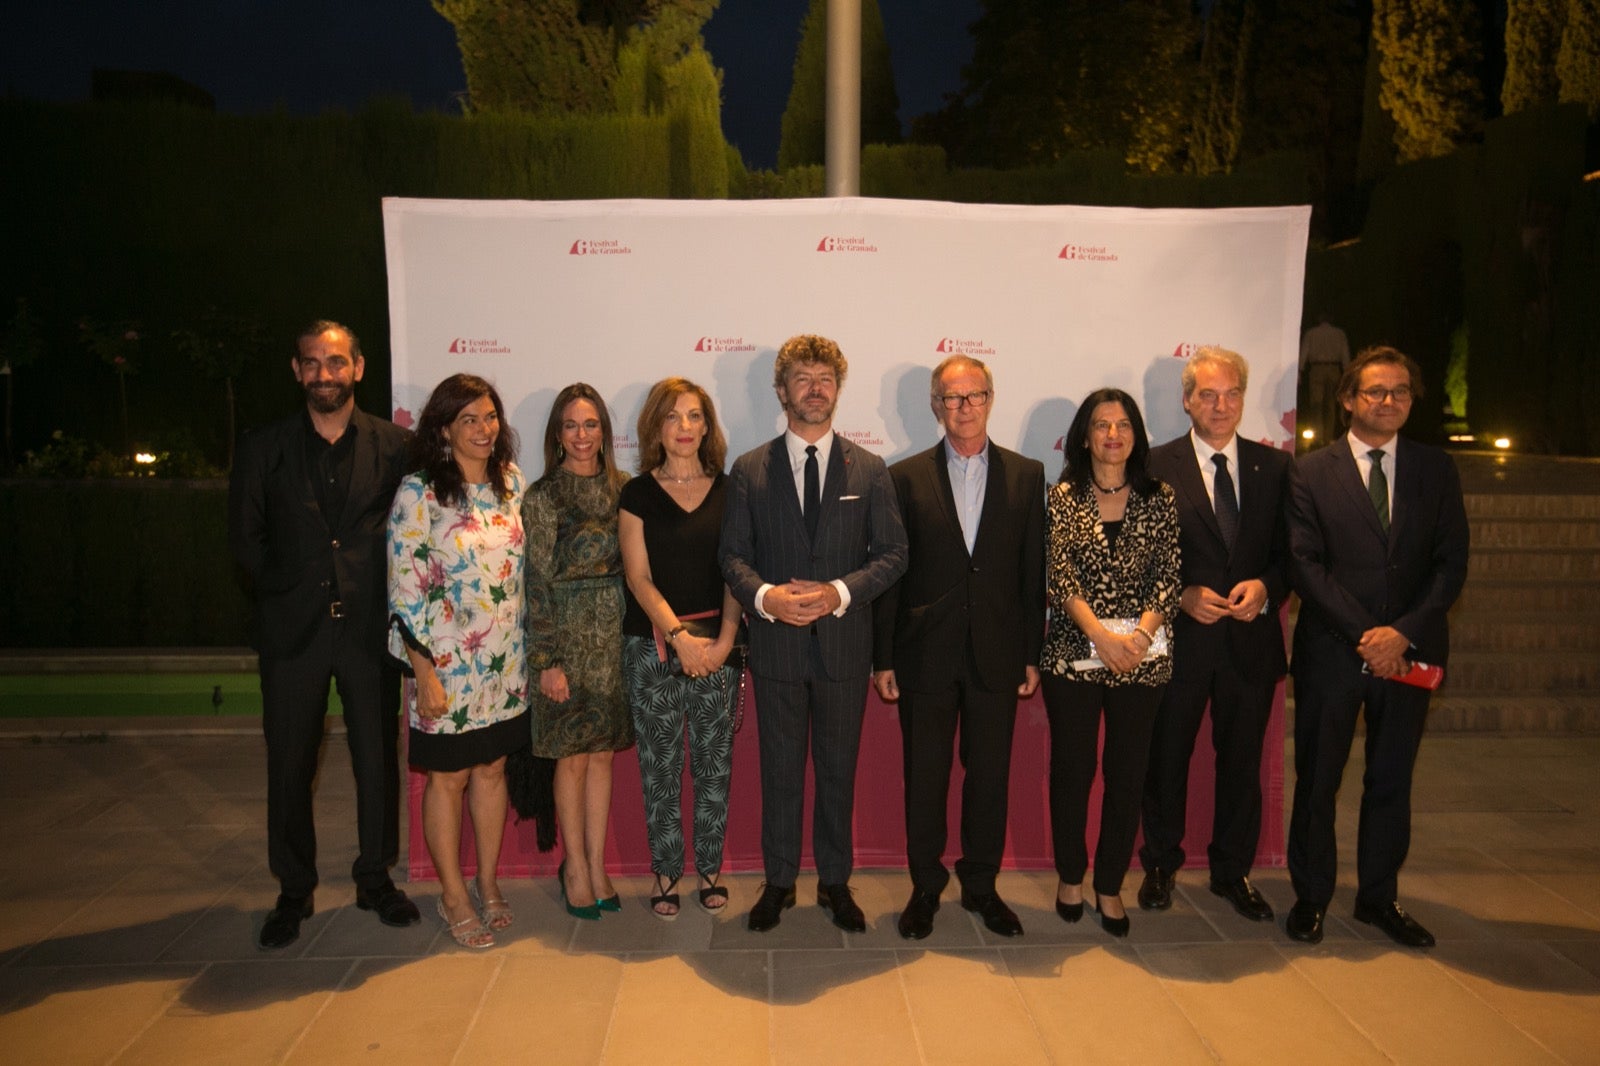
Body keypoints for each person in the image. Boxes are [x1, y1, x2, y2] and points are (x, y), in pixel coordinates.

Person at [228, 319, 420, 949]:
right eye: (311, 363)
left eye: (335, 363)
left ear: (358, 368)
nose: (324, 375)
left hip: (370, 634)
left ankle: (375, 878)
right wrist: (289, 599)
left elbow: (413, 537)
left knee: (376, 762)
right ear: (296, 371)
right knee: (288, 765)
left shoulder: (397, 447)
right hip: (292, 636)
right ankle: (293, 889)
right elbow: (246, 545)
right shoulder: (263, 448)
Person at [720, 334, 908, 933]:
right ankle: (779, 882)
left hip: (844, 651)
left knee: (836, 772)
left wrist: (839, 593)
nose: (815, 388)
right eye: (803, 378)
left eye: (825, 378)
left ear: (837, 389)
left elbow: (894, 554)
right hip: (775, 649)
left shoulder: (869, 468)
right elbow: (732, 557)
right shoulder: (750, 469)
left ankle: (834, 882)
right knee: (778, 772)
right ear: (782, 391)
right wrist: (769, 598)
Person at [1284, 346, 1468, 948]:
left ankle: (1378, 898)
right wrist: (1368, 636)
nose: (1388, 402)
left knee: (1391, 778)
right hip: (1334, 652)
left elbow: (1450, 564)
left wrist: (1401, 634)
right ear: (1347, 401)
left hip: (1409, 651)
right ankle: (1311, 896)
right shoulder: (1311, 471)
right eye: (1375, 392)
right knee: (1318, 779)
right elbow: (1306, 564)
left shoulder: (1436, 470)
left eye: (1400, 392)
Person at [872, 354, 1045, 940]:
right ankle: (925, 887)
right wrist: (884, 657)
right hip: (924, 653)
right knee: (925, 776)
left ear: (991, 399)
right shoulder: (904, 477)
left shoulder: (1027, 475)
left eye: (973, 396)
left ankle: (981, 885)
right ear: (935, 406)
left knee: (989, 776)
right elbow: (891, 572)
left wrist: (1031, 652)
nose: (963, 408)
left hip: (997, 653)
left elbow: (1031, 572)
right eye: (952, 398)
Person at [1137, 347, 1292, 923]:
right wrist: (1178, 595)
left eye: (1231, 394)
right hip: (1178, 644)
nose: (1220, 405)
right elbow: (1138, 558)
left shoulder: (1274, 468)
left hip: (1250, 646)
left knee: (1241, 766)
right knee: (1165, 761)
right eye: (1207, 394)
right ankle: (1159, 864)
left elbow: (1291, 556)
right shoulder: (1153, 466)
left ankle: (1233, 872)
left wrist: (1268, 589)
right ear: (1186, 400)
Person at [386, 373, 528, 949]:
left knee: (492, 771)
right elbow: (402, 590)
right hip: (444, 667)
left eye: (489, 416)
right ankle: (451, 895)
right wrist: (422, 673)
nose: (482, 429)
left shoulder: (512, 483)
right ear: (444, 428)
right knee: (448, 779)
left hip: (505, 663)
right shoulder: (418, 493)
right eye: (468, 419)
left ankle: (487, 882)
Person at [1040, 388, 1180, 938]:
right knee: (1073, 772)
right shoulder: (1061, 497)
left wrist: (1139, 638)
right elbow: (1060, 577)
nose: (1113, 435)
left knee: (1127, 776)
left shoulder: (1160, 497)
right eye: (1101, 425)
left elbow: (1168, 576)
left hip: (1142, 660)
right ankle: (1071, 877)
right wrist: (1099, 635)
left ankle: (1109, 884)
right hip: (1075, 654)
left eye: (1123, 425)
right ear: (1084, 435)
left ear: (1136, 436)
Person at [619, 378, 742, 919]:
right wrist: (679, 639)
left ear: (707, 426)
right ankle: (666, 870)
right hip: (654, 649)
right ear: (656, 428)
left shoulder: (731, 489)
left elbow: (737, 573)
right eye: (672, 417)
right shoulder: (637, 493)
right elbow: (638, 578)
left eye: (694, 416)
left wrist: (724, 644)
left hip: (720, 648)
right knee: (661, 768)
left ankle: (710, 869)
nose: (684, 428)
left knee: (715, 768)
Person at [523, 383, 633, 921]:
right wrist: (546, 661)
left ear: (605, 432)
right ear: (557, 434)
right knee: (570, 760)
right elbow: (536, 581)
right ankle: (575, 868)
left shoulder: (624, 488)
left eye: (591, 425)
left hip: (613, 637)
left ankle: (597, 862)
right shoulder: (543, 497)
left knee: (602, 756)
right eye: (571, 425)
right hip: (565, 635)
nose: (582, 435)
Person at [1299, 312, 1350, 446]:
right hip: (1333, 368)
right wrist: (1347, 372)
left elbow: (1304, 352)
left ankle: (1318, 437)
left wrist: (1300, 370)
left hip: (1317, 369)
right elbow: (1345, 355)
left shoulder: (1312, 333)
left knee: (1316, 404)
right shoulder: (1339, 334)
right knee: (1330, 405)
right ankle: (1327, 437)